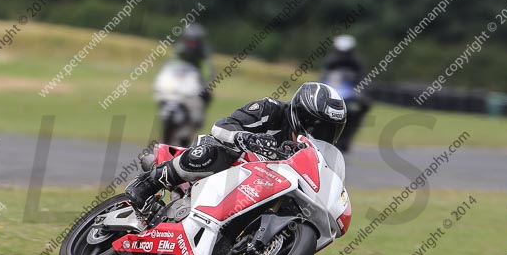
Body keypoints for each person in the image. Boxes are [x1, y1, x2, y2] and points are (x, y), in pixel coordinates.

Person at [125, 82, 347, 210]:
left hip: (259, 188)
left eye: (329, 131)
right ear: (300, 113)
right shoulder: (270, 109)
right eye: (317, 127)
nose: (320, 135)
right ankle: (150, 182)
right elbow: (221, 127)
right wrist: (247, 139)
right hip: (228, 163)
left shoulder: (309, 154)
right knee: (219, 151)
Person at [319, 35, 371, 153]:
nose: (343, 54)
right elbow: (322, 78)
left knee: (364, 106)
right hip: (331, 93)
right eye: (340, 51)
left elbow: (363, 80)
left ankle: (348, 135)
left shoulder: (356, 63)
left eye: (345, 52)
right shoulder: (330, 62)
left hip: (349, 95)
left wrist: (361, 94)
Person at [172, 23, 215, 108]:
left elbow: (209, 70)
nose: (192, 44)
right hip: (179, 81)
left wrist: (205, 84)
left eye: (195, 41)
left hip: (196, 83)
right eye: (190, 41)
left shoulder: (203, 53)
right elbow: (172, 65)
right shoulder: (180, 50)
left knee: (206, 96)